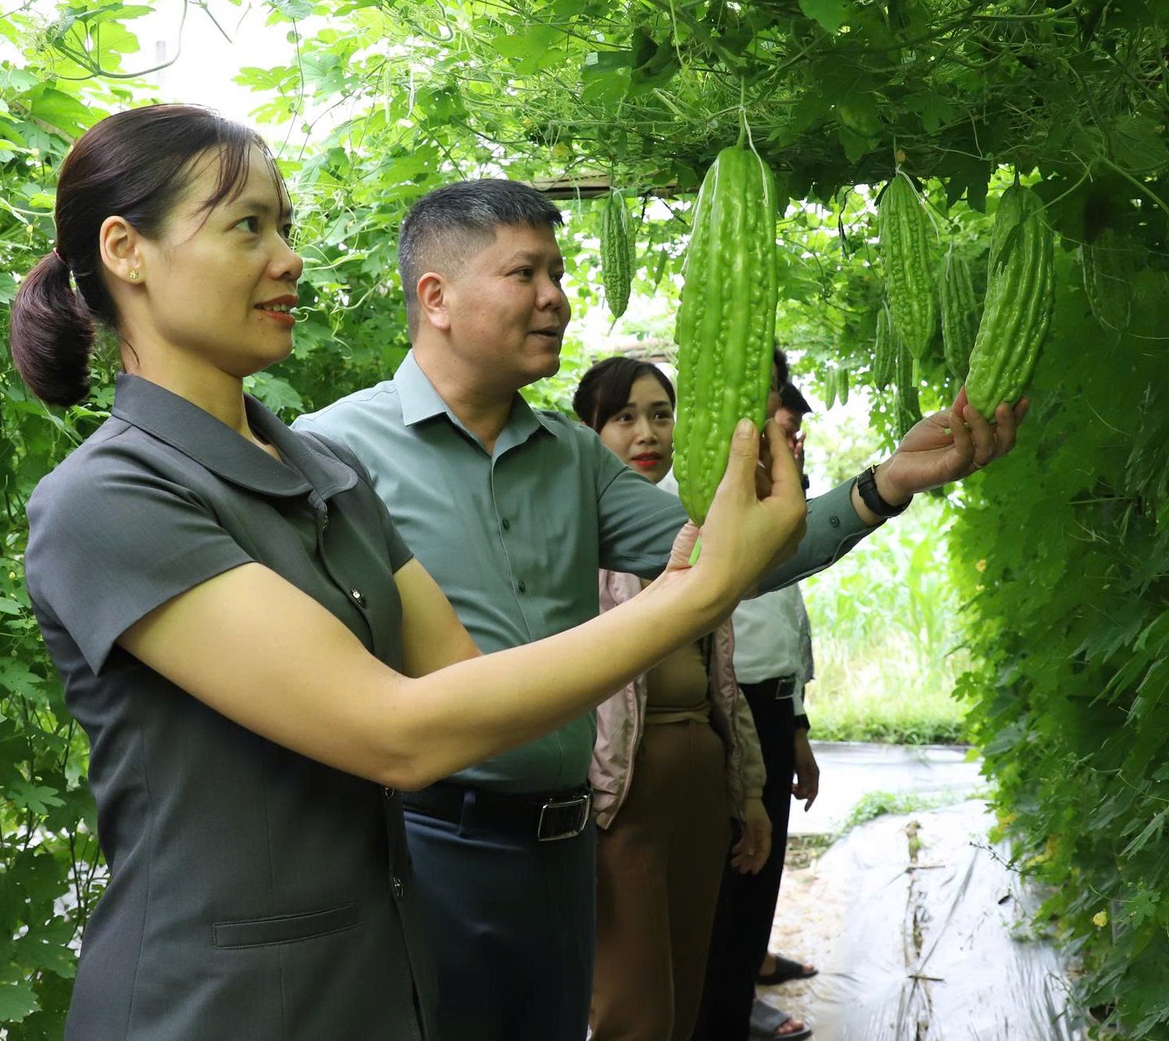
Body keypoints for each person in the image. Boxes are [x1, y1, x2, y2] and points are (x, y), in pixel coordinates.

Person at [10, 108, 809, 1041]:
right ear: (126, 250)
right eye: (247, 227)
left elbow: (469, 690)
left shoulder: (321, 474)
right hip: (215, 1008)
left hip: (386, 982)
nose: (289, 258)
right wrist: (700, 591)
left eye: (286, 227)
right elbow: (400, 735)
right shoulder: (111, 500)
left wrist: (707, 553)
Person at [295, 179, 1028, 1041]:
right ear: (436, 298)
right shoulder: (334, 449)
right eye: (525, 274)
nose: (557, 299)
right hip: (428, 842)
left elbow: (727, 562)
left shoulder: (570, 456)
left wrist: (886, 485)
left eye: (558, 274)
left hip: (566, 843)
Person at [576, 357, 771, 1041]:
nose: (646, 432)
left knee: (690, 985)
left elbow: (724, 683)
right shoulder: (579, 540)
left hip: (697, 785)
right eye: (623, 417)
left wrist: (746, 791)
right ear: (587, 435)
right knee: (631, 1008)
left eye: (660, 414)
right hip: (620, 796)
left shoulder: (696, 536)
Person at [697, 357, 824, 1041]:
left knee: (760, 858)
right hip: (729, 700)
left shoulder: (773, 499)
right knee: (737, 863)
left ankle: (748, 973)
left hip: (771, 699)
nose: (790, 423)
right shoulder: (706, 489)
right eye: (782, 407)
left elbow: (786, 622)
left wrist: (797, 723)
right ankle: (732, 999)